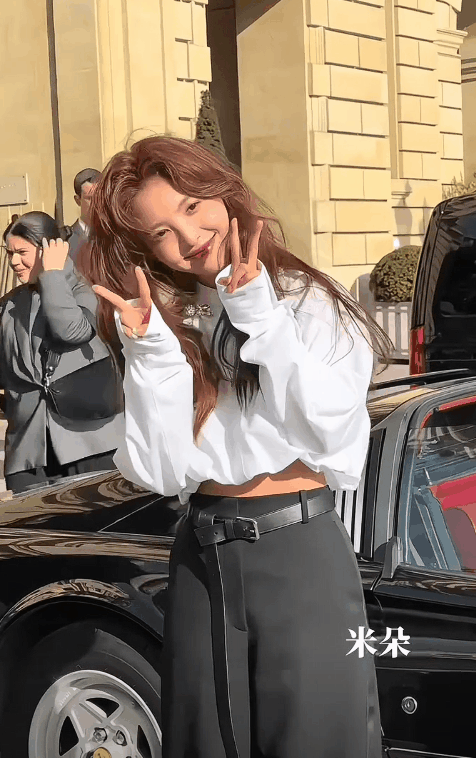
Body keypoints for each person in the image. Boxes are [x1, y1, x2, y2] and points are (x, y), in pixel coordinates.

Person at [84, 136, 390, 758]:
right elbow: (162, 469)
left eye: (193, 206)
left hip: (299, 549)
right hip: (201, 556)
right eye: (162, 232)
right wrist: (149, 353)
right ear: (146, 250)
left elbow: (331, 430)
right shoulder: (165, 324)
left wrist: (260, 316)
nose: (189, 236)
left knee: (317, 736)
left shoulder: (304, 299)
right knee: (205, 739)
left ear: (223, 193)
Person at [0, 211, 122, 493]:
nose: (13, 262)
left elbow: (72, 331)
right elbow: (4, 370)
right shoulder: (11, 304)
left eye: (21, 252)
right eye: (9, 253)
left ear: (49, 249)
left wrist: (53, 274)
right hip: (29, 450)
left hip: (89, 442)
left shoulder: (85, 290)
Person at [68, 167, 101, 266]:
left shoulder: (117, 237)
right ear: (78, 200)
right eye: (90, 198)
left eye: (100, 197)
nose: (97, 203)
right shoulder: (66, 241)